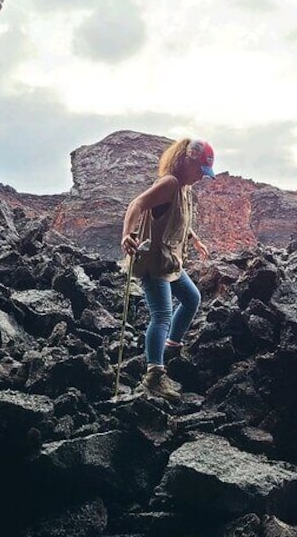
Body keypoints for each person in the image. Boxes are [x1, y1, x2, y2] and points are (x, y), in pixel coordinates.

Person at [120, 138, 215, 401]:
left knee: (192, 298)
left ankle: (171, 348)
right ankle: (154, 376)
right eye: (200, 171)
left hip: (170, 260)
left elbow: (178, 217)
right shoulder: (170, 183)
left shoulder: (184, 188)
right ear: (187, 161)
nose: (200, 177)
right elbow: (136, 205)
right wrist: (127, 234)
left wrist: (194, 238)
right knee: (162, 315)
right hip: (153, 261)